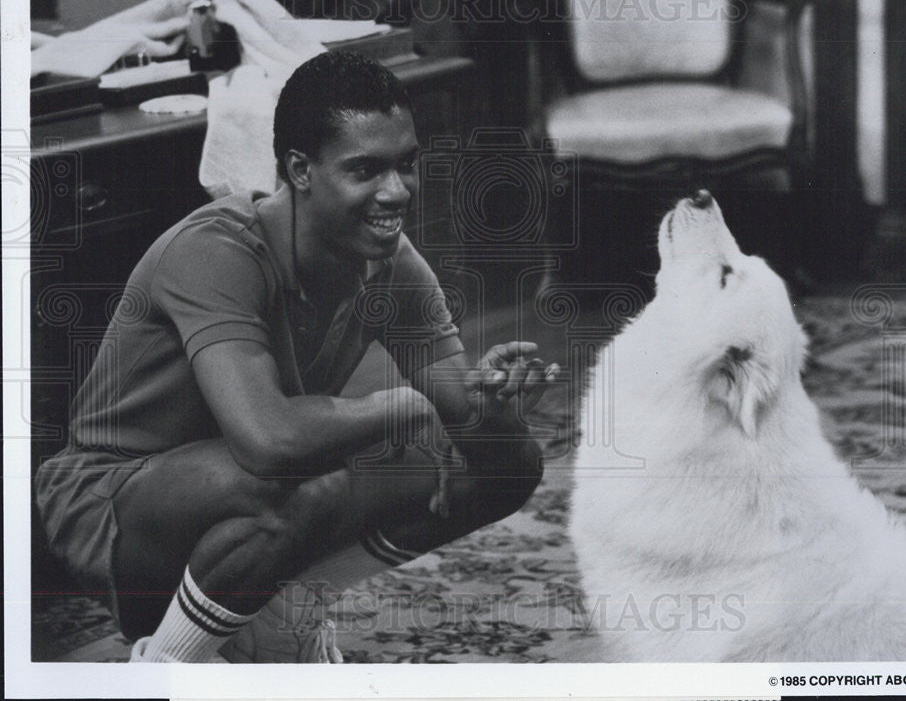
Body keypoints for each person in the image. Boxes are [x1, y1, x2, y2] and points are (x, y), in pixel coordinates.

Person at [35, 50, 558, 663]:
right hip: (115, 507)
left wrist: (496, 402)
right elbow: (271, 442)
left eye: (407, 165)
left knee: (508, 463)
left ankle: (283, 612)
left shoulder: (390, 261)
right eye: (365, 170)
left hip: (239, 499)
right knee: (295, 481)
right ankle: (169, 668)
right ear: (300, 169)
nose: (396, 192)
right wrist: (414, 405)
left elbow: (465, 419)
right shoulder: (217, 251)